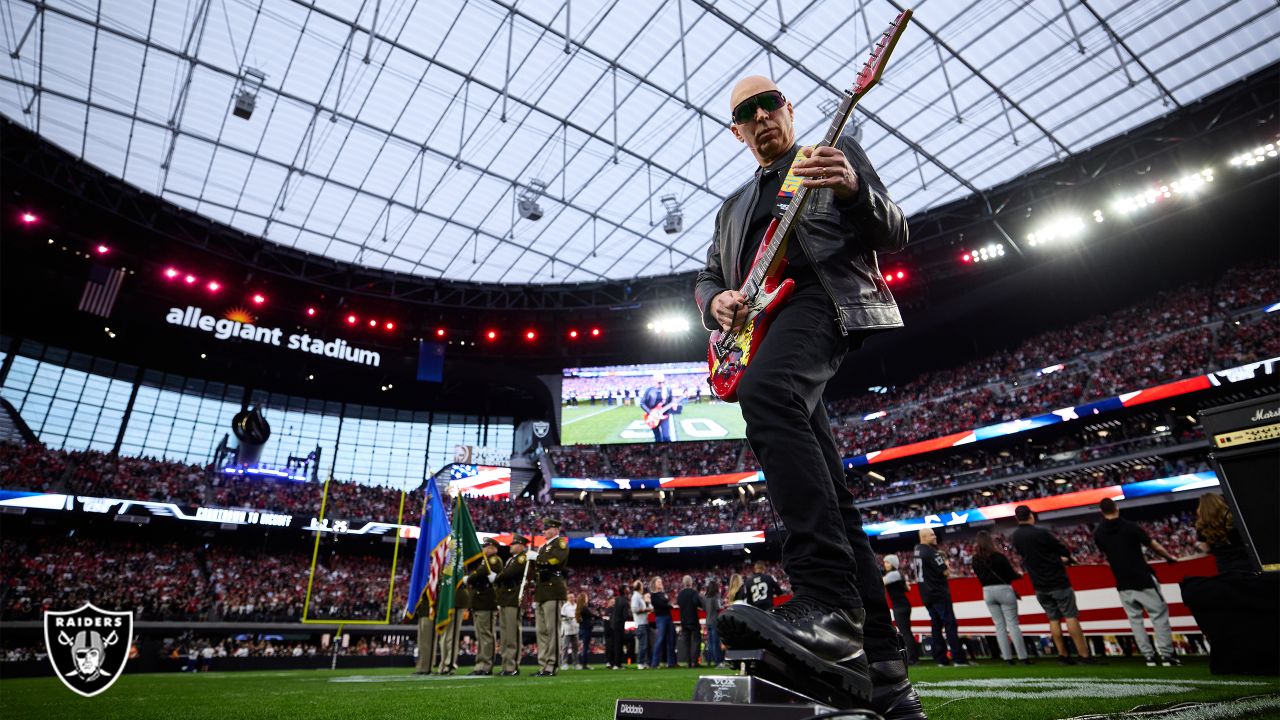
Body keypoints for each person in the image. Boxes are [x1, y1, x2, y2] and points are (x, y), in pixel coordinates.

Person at [697, 76, 918, 717]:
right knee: (837, 498)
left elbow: (894, 230)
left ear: (789, 110)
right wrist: (716, 301)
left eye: (771, 105)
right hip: (764, 325)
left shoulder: (829, 151)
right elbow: (710, 274)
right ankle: (885, 680)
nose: (762, 117)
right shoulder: (733, 207)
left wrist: (850, 187)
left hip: (824, 299)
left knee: (765, 394)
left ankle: (824, 598)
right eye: (747, 113)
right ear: (736, 130)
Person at [1094, 498, 1181, 666]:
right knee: (1159, 616)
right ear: (1116, 508)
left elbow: (1106, 552)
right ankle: (1167, 655)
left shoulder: (1098, 533)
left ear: (1101, 512)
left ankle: (1148, 656)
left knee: (1135, 620)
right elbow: (1154, 546)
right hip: (1142, 577)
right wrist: (1169, 558)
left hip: (1122, 580)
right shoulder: (1130, 527)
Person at [1010, 505, 1100, 665]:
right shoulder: (1041, 533)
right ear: (1031, 515)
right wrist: (1062, 559)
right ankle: (1084, 655)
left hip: (1039, 583)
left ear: (1017, 518)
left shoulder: (1015, 536)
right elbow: (1063, 550)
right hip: (1057, 580)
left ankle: (1062, 655)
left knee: (1053, 619)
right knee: (1070, 616)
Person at [971, 531, 1028, 665]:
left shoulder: (975, 559)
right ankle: (1023, 657)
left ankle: (1007, 658)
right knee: (1013, 624)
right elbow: (1011, 575)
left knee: (999, 626)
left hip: (987, 591)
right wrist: (1019, 575)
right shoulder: (999, 556)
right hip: (1004, 589)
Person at [915, 528, 967, 667]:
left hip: (926, 594)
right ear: (924, 536)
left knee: (936, 626)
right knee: (950, 624)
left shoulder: (917, 551)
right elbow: (945, 572)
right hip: (938, 592)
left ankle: (941, 659)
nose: (935, 537)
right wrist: (946, 563)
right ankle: (958, 658)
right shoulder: (931, 551)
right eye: (932, 534)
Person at [531, 517, 570, 677]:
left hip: (553, 590)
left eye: (547, 529)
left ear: (555, 529)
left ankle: (552, 664)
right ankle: (543, 664)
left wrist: (537, 558)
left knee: (552, 630)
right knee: (541, 631)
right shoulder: (544, 547)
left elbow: (555, 561)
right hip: (542, 591)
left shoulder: (560, 544)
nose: (544, 531)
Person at [463, 537, 503, 675]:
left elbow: (481, 573)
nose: (483, 549)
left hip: (486, 602)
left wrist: (469, 578)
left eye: (486, 547)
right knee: (481, 636)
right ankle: (480, 664)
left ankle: (485, 665)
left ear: (493, 548)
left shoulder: (493, 560)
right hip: (480, 602)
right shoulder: (484, 561)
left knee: (485, 635)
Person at [493, 534, 530, 676]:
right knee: (505, 636)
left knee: (511, 634)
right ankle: (506, 665)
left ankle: (512, 666)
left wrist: (496, 577)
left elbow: (509, 573)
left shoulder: (521, 558)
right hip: (506, 599)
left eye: (514, 544)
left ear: (521, 546)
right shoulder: (512, 559)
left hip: (513, 598)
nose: (511, 546)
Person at [1194, 493, 1253, 574]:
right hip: (1245, 560)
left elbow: (1206, 549)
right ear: (1220, 502)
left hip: (1224, 565)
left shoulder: (1201, 526)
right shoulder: (1234, 518)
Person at [881, 555, 919, 665]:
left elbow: (880, 582)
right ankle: (914, 657)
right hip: (903, 605)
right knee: (907, 632)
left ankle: (912, 658)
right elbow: (908, 588)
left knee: (905, 632)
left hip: (900, 606)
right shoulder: (898, 574)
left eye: (887, 562)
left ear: (893, 564)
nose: (885, 565)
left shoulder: (893, 574)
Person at [640, 373, 681, 442]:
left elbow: (671, 402)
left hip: (664, 416)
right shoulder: (649, 390)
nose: (661, 383)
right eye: (659, 382)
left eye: (662, 381)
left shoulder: (668, 390)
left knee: (666, 437)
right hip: (652, 417)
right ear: (654, 381)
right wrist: (650, 412)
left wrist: (674, 406)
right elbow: (642, 403)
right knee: (657, 438)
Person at [649, 577, 676, 668]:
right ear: (654, 584)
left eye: (661, 581)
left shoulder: (663, 594)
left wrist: (668, 606)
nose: (660, 583)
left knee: (671, 640)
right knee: (660, 640)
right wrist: (669, 606)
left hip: (668, 617)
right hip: (661, 618)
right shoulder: (654, 595)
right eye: (658, 582)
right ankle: (654, 663)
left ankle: (671, 663)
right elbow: (660, 605)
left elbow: (665, 605)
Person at [676, 575, 703, 668]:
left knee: (686, 643)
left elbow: (679, 603)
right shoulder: (694, 593)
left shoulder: (680, 594)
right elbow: (698, 603)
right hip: (693, 619)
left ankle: (688, 662)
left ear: (684, 583)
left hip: (684, 620)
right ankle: (695, 662)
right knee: (696, 641)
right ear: (691, 583)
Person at [630, 580, 651, 669]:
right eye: (642, 585)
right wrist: (645, 610)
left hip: (644, 622)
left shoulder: (639, 596)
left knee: (645, 644)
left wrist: (647, 604)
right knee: (642, 644)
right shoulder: (636, 597)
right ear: (639, 587)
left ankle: (644, 662)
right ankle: (640, 663)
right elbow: (634, 609)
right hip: (640, 623)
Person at [703, 579, 724, 667]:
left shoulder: (706, 597)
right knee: (716, 642)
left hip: (708, 621)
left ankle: (709, 661)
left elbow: (704, 609)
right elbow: (718, 607)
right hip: (715, 621)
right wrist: (723, 604)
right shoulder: (716, 596)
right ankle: (718, 662)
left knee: (710, 642)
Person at [607, 585, 629, 669]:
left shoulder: (616, 599)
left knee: (614, 644)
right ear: (624, 590)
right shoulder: (625, 601)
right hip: (619, 625)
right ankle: (617, 664)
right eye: (627, 589)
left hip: (613, 624)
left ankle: (613, 663)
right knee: (619, 645)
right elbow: (625, 616)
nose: (628, 590)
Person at [560, 592, 580, 670]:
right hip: (567, 629)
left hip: (575, 629)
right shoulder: (565, 606)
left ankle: (576, 664)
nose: (572, 598)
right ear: (567, 598)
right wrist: (568, 618)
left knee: (576, 648)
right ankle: (564, 663)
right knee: (565, 648)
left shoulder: (576, 606)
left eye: (573, 597)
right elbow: (562, 617)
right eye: (570, 597)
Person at [576, 593, 596, 670]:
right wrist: (601, 616)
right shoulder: (584, 608)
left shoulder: (580, 607)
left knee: (585, 646)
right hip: (586, 629)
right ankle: (584, 664)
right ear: (584, 598)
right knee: (585, 647)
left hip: (584, 628)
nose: (588, 598)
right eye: (586, 597)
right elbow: (591, 615)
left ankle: (584, 663)